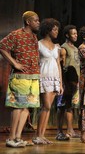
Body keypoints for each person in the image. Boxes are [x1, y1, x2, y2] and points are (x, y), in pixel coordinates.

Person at [0, 11, 40, 148]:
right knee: (18, 106)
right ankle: (11, 138)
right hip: (20, 76)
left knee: (26, 107)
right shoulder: (16, 34)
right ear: (28, 21)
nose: (38, 23)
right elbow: (2, 46)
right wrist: (14, 63)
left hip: (33, 76)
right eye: (36, 20)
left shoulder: (34, 37)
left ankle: (17, 137)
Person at [32, 18, 63, 145]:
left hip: (55, 78)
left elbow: (58, 64)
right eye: (54, 29)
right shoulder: (38, 44)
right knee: (46, 106)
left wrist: (60, 83)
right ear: (47, 30)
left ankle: (41, 135)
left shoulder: (57, 47)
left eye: (57, 29)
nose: (56, 32)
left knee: (48, 108)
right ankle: (37, 135)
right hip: (44, 77)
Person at [55, 25, 80, 141]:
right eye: (73, 34)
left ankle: (70, 130)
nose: (75, 35)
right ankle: (59, 131)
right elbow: (61, 65)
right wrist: (63, 82)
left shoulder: (75, 48)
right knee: (62, 107)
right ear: (67, 35)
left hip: (74, 82)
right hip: (66, 82)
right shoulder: (63, 48)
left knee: (69, 106)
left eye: (76, 33)